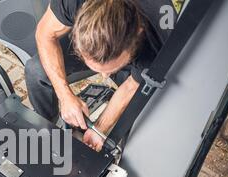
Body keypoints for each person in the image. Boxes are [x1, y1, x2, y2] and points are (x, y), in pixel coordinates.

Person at [25, 0, 173, 151]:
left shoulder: (157, 40)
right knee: (36, 71)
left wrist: (99, 130)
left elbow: (131, 87)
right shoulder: (73, 2)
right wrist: (64, 96)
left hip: (139, 58)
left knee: (138, 113)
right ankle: (49, 127)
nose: (103, 77)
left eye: (109, 70)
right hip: (98, 41)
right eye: (99, 69)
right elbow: (44, 34)